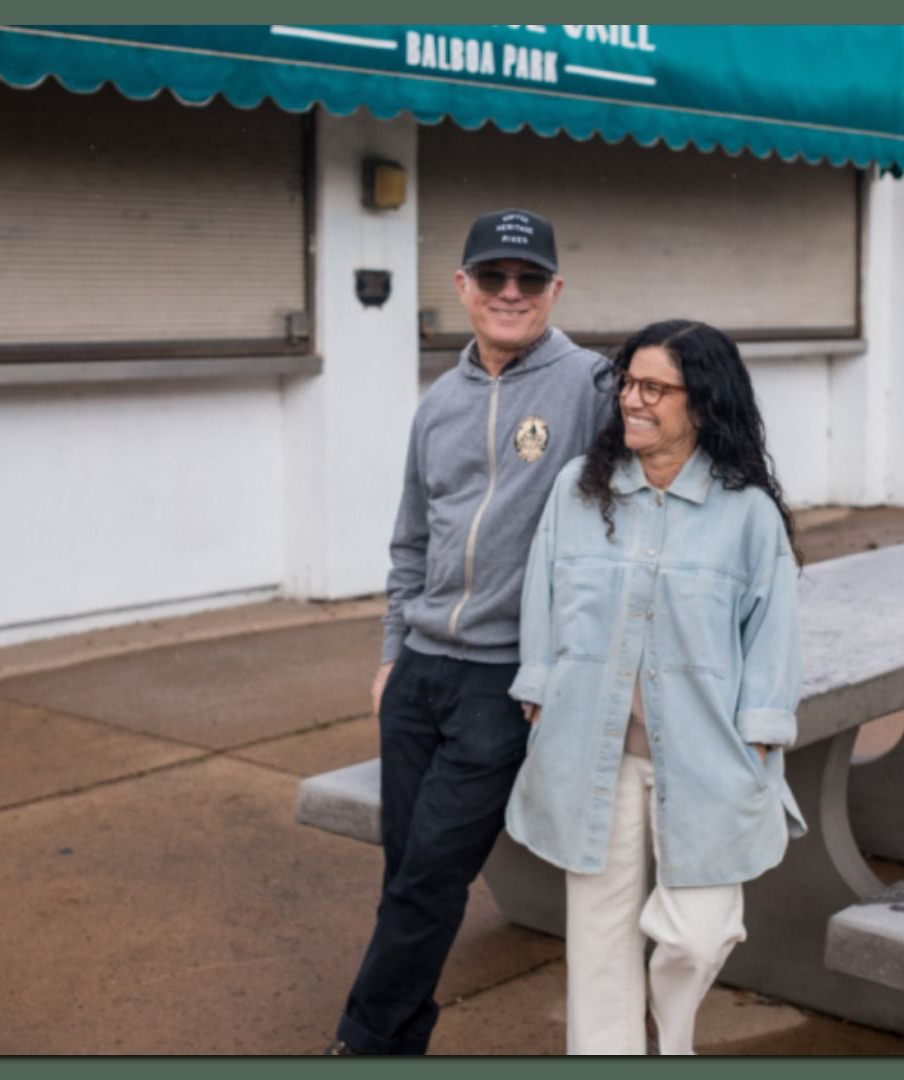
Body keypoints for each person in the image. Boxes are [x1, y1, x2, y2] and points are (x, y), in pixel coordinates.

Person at [328, 209, 614, 1056]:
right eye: (493, 277)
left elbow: (630, 523)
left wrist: (562, 666)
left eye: (530, 279)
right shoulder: (437, 405)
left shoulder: (594, 387)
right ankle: (400, 1032)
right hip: (418, 675)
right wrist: (390, 658)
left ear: (557, 289)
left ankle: (364, 1042)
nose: (511, 293)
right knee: (406, 873)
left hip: (503, 683)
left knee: (430, 876)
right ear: (463, 288)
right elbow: (411, 542)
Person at [504, 319, 806, 1055]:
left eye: (653, 388)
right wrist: (537, 686)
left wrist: (762, 736)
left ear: (701, 403)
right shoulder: (580, 490)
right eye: (626, 385)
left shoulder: (748, 515)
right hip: (589, 749)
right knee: (599, 941)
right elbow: (541, 591)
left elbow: (773, 634)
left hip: (706, 758)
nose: (631, 401)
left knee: (699, 939)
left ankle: (671, 1046)